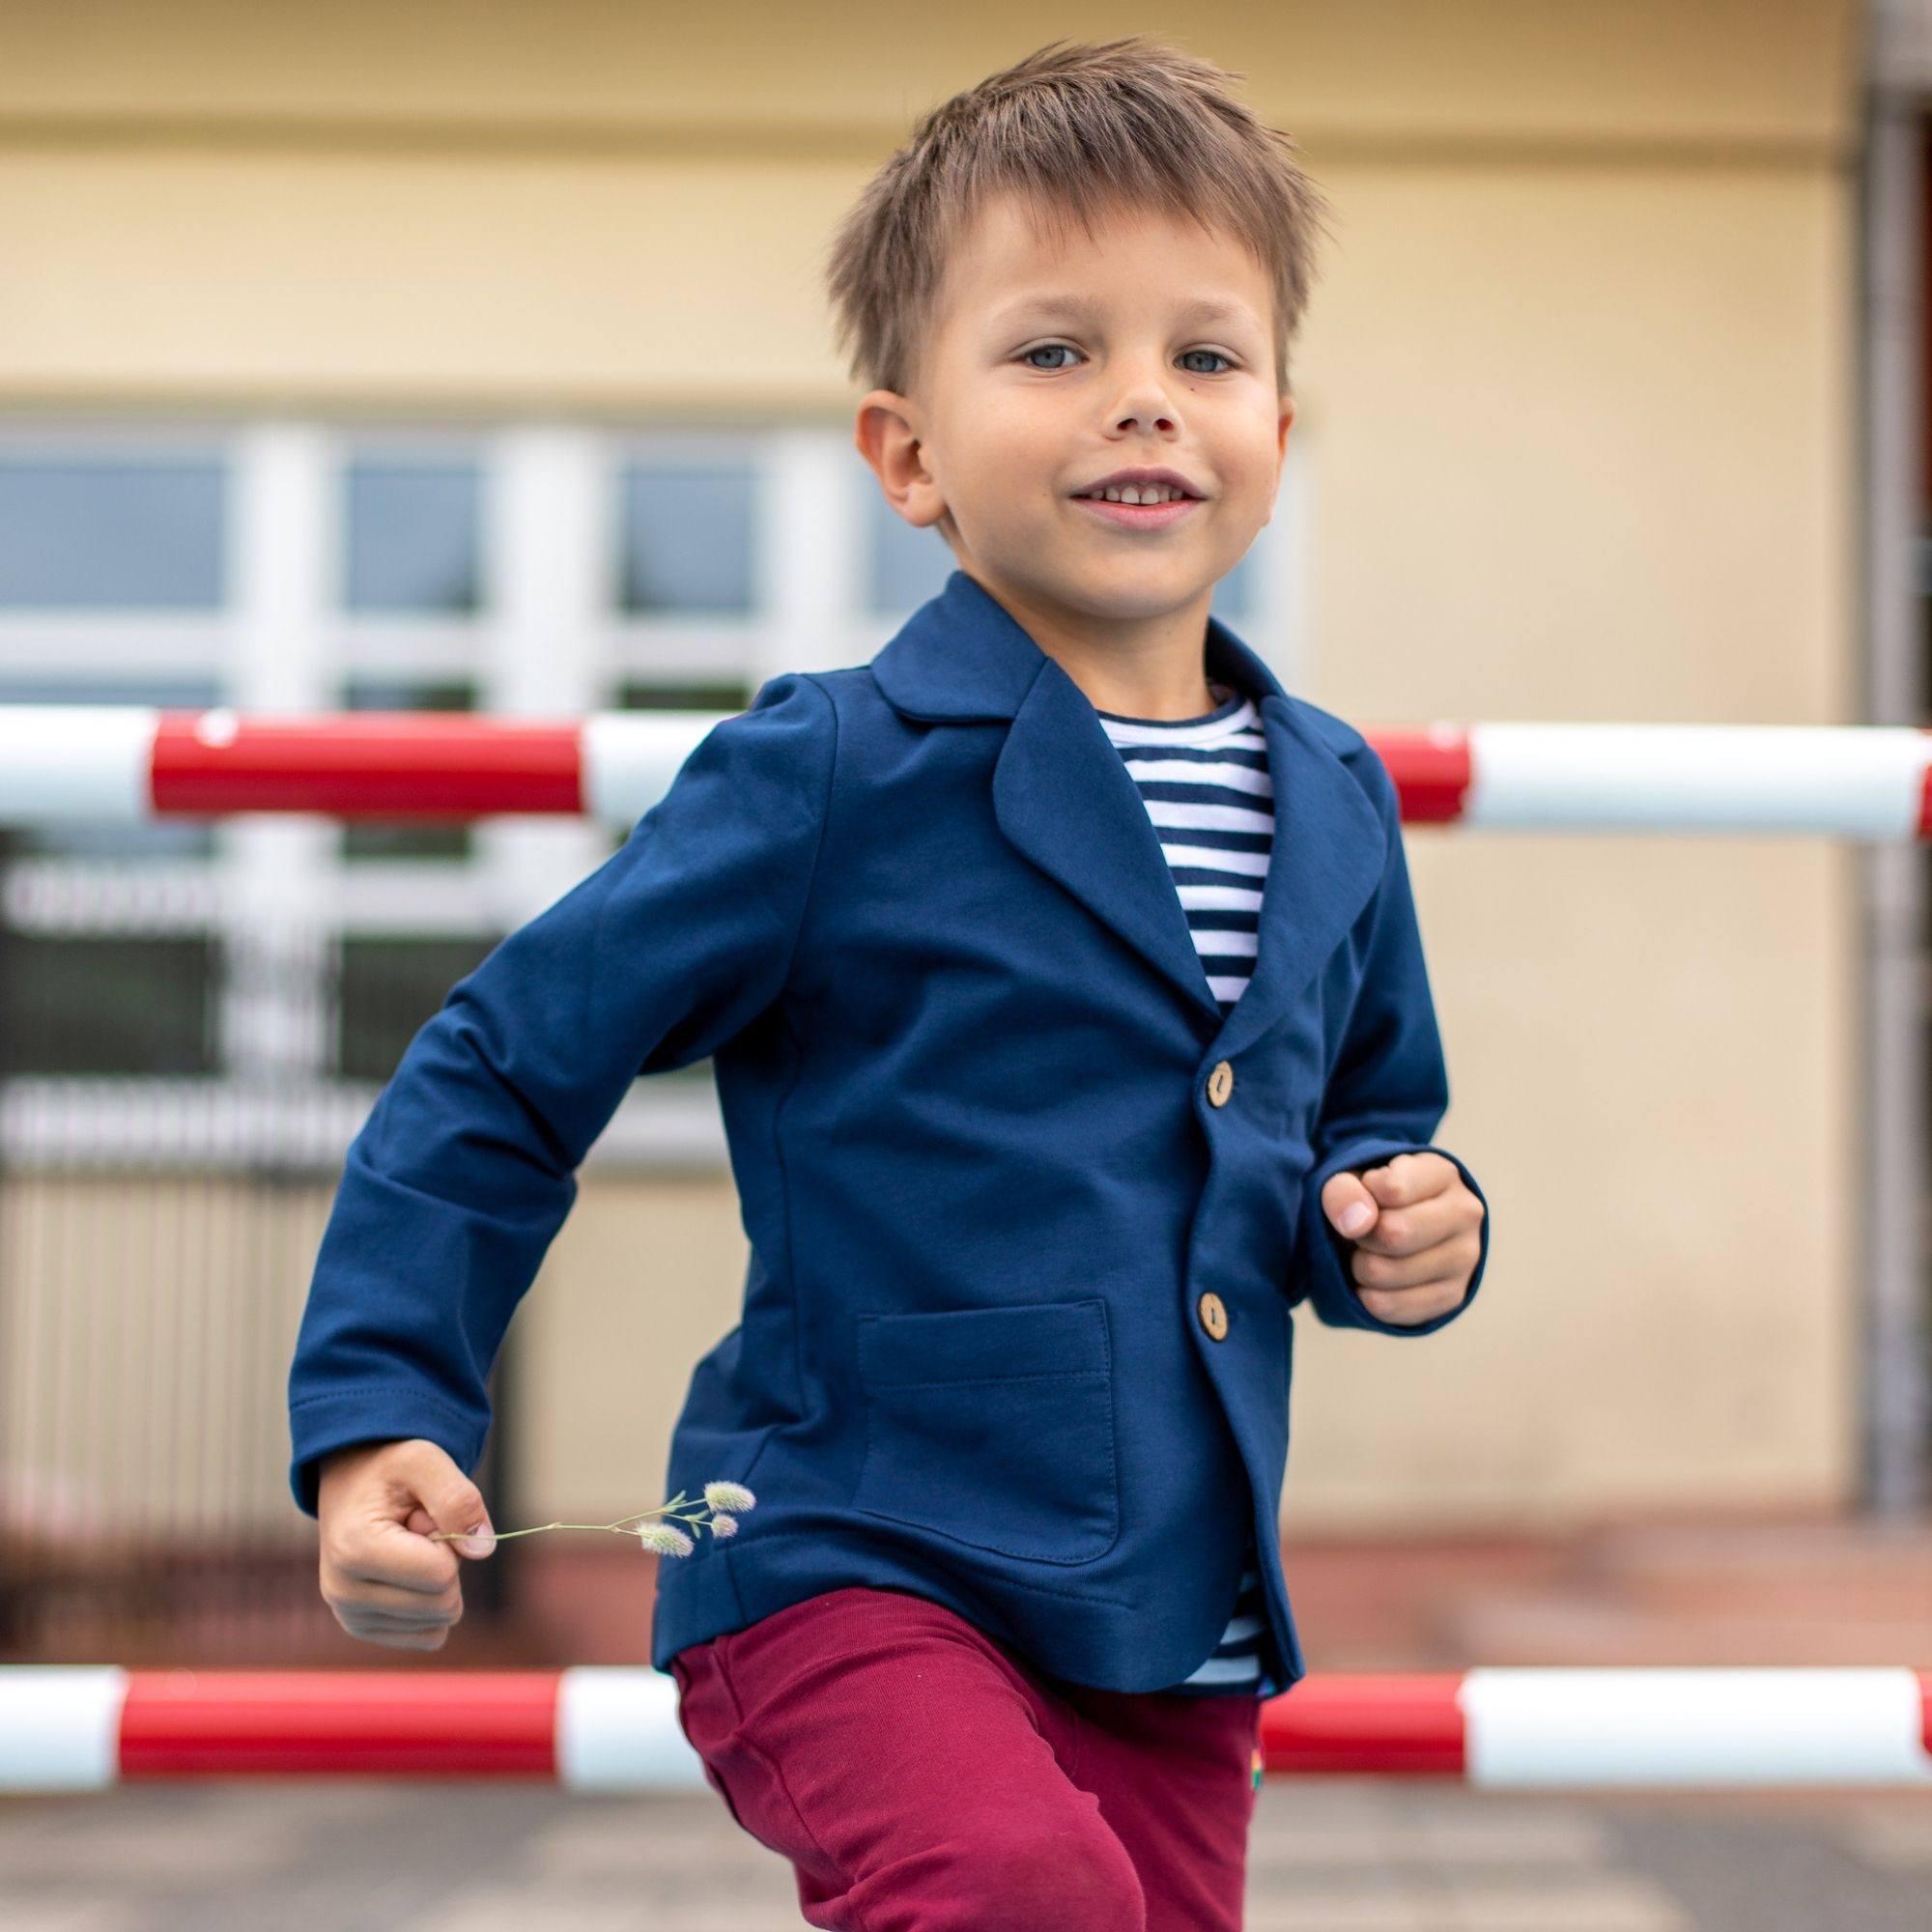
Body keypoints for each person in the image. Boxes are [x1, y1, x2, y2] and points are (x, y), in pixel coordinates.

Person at [287, 33, 1490, 1932]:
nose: (1140, 406)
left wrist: (1406, 1224)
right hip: (845, 1562)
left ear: (1276, 419)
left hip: (1178, 1608)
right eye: (1052, 350)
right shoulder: (827, 772)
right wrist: (379, 1411)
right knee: (1018, 1897)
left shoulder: (1333, 791)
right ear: (906, 455)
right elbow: (499, 1070)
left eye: (1203, 353)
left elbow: (1364, 1122)